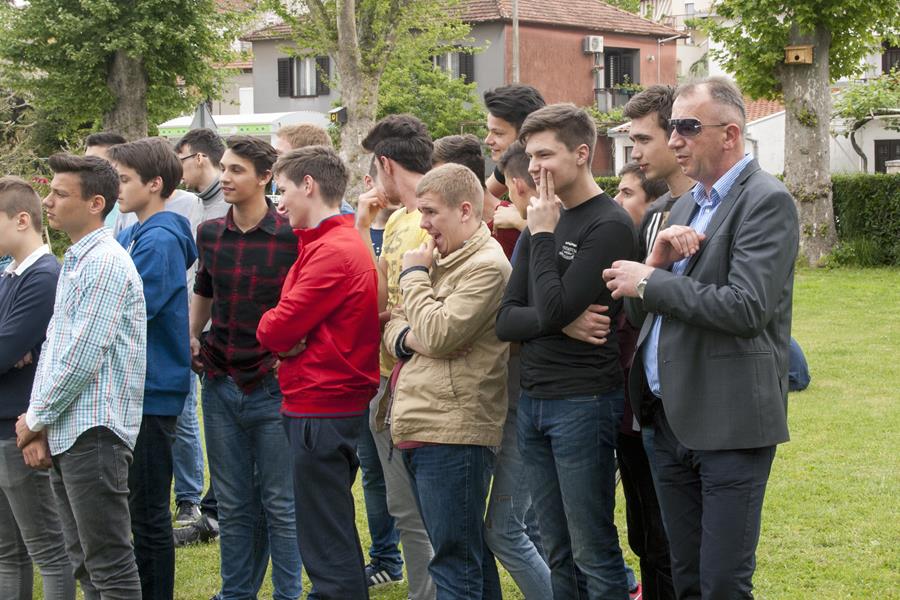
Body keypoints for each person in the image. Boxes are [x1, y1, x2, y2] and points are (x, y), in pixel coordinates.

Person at [603, 77, 799, 598]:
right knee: (684, 578)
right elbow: (643, 310)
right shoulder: (686, 204)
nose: (674, 140)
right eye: (672, 128)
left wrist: (652, 281)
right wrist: (654, 264)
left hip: (729, 422)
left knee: (721, 584)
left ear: (730, 134)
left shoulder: (766, 200)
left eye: (687, 127)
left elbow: (747, 307)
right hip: (669, 419)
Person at [495, 103, 637, 599]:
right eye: (531, 156)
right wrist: (559, 321)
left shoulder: (608, 224)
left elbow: (548, 306)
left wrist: (542, 236)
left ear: (581, 153)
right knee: (557, 549)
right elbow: (505, 319)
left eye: (545, 155)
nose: (534, 167)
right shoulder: (544, 218)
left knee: (592, 550)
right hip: (535, 399)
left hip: (583, 402)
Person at [16, 153, 145, 599]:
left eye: (59, 193)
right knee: (86, 567)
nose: (47, 202)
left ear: (95, 203)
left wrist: (35, 419)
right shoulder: (77, 260)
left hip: (95, 433)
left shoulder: (105, 263)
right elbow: (55, 349)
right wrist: (40, 421)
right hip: (70, 430)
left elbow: (81, 357)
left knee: (109, 567)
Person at [383, 163, 512, 599]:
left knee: (455, 566)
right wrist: (412, 337)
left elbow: (439, 333)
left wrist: (414, 279)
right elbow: (396, 326)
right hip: (424, 424)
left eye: (431, 212)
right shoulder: (437, 258)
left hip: (454, 431)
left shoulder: (486, 266)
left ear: (465, 210)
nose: (423, 224)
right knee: (465, 558)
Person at [258, 145, 381, 599]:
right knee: (327, 528)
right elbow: (284, 327)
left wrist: (281, 333)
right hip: (321, 400)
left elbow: (275, 328)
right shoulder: (327, 243)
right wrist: (285, 333)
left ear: (308, 185)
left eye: (283, 190)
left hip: (321, 403)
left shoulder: (333, 250)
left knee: (325, 536)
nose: (279, 202)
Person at [191, 136, 302, 600]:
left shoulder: (290, 236)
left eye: (236, 170)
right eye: (223, 168)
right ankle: (236, 593)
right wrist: (192, 335)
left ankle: (287, 594)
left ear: (265, 177)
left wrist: (290, 355)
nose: (225, 177)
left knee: (281, 505)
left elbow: (305, 304)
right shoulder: (209, 233)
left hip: (272, 385)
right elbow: (204, 289)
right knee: (234, 504)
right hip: (220, 380)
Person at [109, 138, 198, 599]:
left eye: (124, 180)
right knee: (137, 510)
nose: (117, 188)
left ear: (155, 183)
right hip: (138, 389)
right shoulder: (136, 232)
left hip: (150, 390)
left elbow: (131, 309)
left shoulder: (160, 238)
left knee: (147, 514)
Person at [355, 114, 437, 600]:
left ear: (385, 164)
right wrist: (364, 226)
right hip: (391, 378)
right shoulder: (400, 218)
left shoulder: (427, 215)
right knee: (407, 509)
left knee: (421, 510)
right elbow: (378, 300)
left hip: (418, 383)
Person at [0, 176, 74, 600]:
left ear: (22, 220)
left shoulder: (44, 276)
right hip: (4, 426)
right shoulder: (9, 275)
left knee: (47, 549)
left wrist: (12, 350)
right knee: (8, 551)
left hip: (21, 429)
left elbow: (4, 349)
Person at [171, 128, 230, 536]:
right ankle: (213, 506)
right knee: (216, 429)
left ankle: (208, 506)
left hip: (228, 338)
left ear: (199, 158)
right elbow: (199, 276)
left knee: (216, 425)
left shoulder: (226, 205)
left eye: (182, 160)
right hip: (202, 333)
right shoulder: (196, 205)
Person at [354, 157, 405, 590]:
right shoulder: (365, 228)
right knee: (372, 470)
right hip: (368, 370)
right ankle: (386, 558)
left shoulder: (415, 224)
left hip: (398, 371)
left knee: (401, 476)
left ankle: (401, 557)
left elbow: (387, 307)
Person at [483, 84, 546, 203]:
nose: (487, 140)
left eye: (498, 133)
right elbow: (481, 200)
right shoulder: (511, 162)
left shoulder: (551, 171)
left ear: (526, 135)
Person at [85, 132, 128, 231]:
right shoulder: (88, 199)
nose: (86, 167)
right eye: (86, 161)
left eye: (94, 161)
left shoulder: (129, 205)